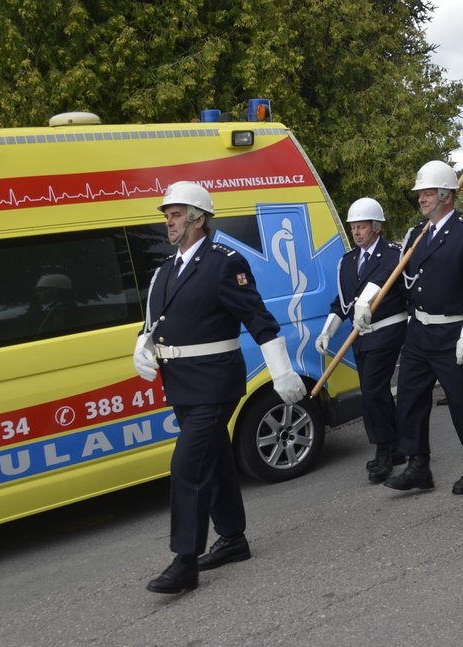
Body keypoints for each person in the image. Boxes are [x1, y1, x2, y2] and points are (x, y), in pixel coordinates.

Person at [134, 181, 306, 594]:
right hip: (181, 385)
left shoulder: (225, 262)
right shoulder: (166, 269)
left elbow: (258, 318)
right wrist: (144, 341)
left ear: (198, 219)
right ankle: (233, 538)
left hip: (215, 382)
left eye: (175, 215)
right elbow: (159, 320)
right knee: (213, 459)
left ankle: (184, 561)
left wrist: (280, 369)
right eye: (167, 215)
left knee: (187, 466)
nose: (168, 222)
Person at [383, 160, 463, 496]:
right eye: (420, 193)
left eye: (428, 192)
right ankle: (419, 465)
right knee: (410, 400)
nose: (421, 198)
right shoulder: (417, 234)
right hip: (419, 332)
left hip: (452, 332)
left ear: (447, 194)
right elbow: (403, 280)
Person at [316, 197, 407, 483]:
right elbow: (343, 302)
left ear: (376, 227)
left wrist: (366, 303)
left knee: (371, 390)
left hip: (387, 329)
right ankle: (396, 445)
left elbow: (380, 282)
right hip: (361, 336)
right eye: (353, 227)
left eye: (362, 227)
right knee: (376, 390)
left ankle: (382, 450)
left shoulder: (392, 253)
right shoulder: (347, 261)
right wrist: (328, 330)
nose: (356, 232)